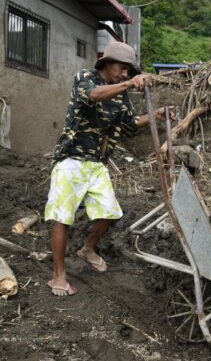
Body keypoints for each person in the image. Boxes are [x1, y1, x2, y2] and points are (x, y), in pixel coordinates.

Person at [44, 42, 172, 296]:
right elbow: (93, 96)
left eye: (129, 71)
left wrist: (155, 115)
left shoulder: (122, 95)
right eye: (122, 68)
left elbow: (129, 124)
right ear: (107, 62)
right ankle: (58, 275)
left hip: (96, 163)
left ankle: (87, 249)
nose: (125, 74)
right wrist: (128, 84)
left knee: (111, 213)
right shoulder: (85, 78)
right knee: (62, 217)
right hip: (71, 159)